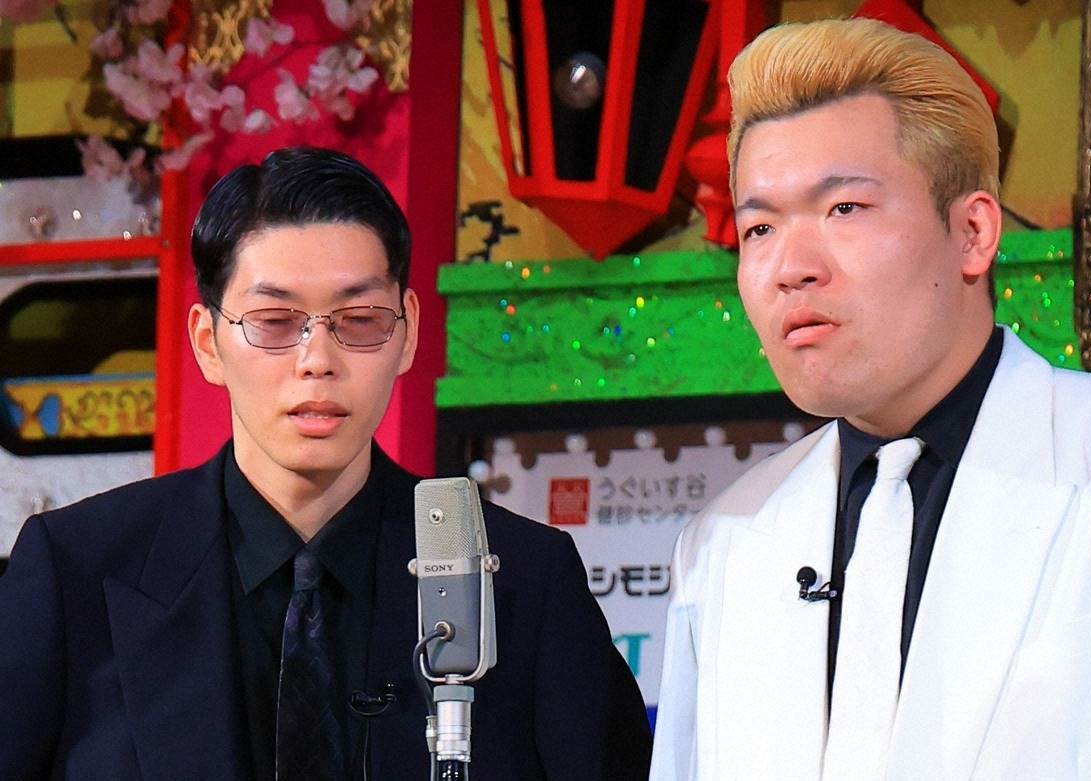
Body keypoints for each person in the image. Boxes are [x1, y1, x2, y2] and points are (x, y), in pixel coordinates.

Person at [650, 18, 1091, 781]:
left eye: (844, 209)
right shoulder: (723, 541)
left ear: (973, 231)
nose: (790, 267)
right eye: (760, 227)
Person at [0, 147, 652, 780]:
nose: (317, 360)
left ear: (407, 331)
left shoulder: (526, 581)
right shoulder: (77, 571)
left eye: (359, 319)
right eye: (274, 321)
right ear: (207, 342)